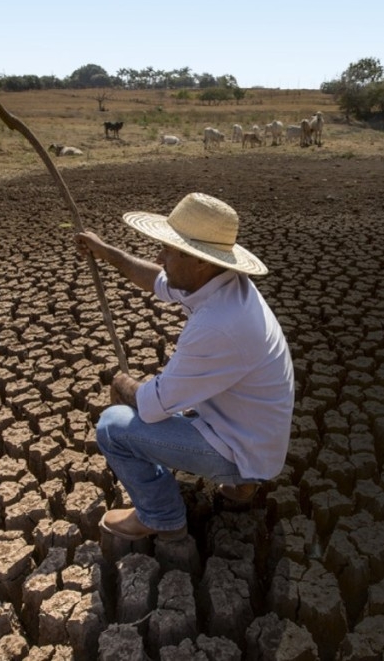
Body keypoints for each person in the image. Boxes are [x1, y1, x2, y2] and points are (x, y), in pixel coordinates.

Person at [74, 192, 295, 541]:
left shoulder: (219, 324)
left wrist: (122, 384)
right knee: (177, 396)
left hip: (240, 447)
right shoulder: (221, 284)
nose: (159, 257)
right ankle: (244, 485)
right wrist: (107, 252)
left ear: (199, 260)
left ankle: (160, 516)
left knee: (113, 427)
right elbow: (155, 279)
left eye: (168, 251)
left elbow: (151, 406)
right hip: (256, 434)